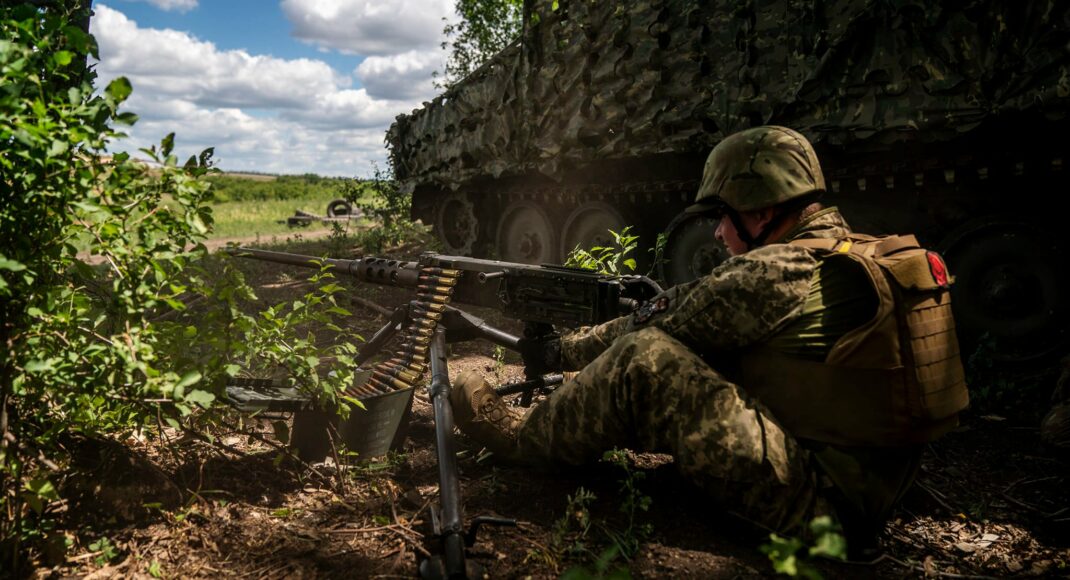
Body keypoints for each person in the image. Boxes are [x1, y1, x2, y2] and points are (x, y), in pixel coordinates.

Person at [449, 125, 969, 557]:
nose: (719, 234)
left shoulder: (778, 269)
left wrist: (560, 351)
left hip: (826, 513)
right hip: (871, 488)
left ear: (761, 212)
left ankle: (523, 440)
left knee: (643, 359)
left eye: (724, 215)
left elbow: (652, 326)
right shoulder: (864, 249)